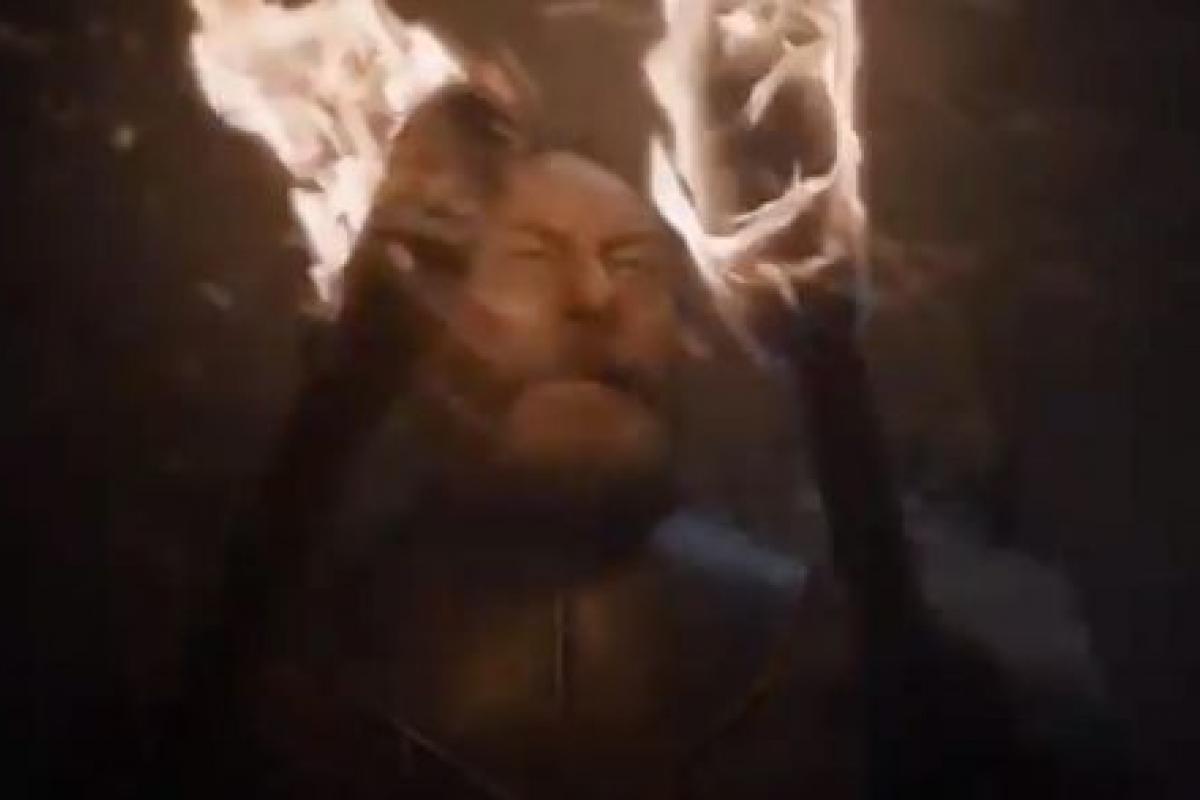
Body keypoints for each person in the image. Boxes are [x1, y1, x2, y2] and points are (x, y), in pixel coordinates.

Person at [165, 86, 1129, 800]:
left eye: (634, 263)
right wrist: (342, 398)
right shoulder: (309, 665)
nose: (595, 298)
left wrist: (830, 375)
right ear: (415, 327)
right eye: (532, 256)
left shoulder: (815, 649)